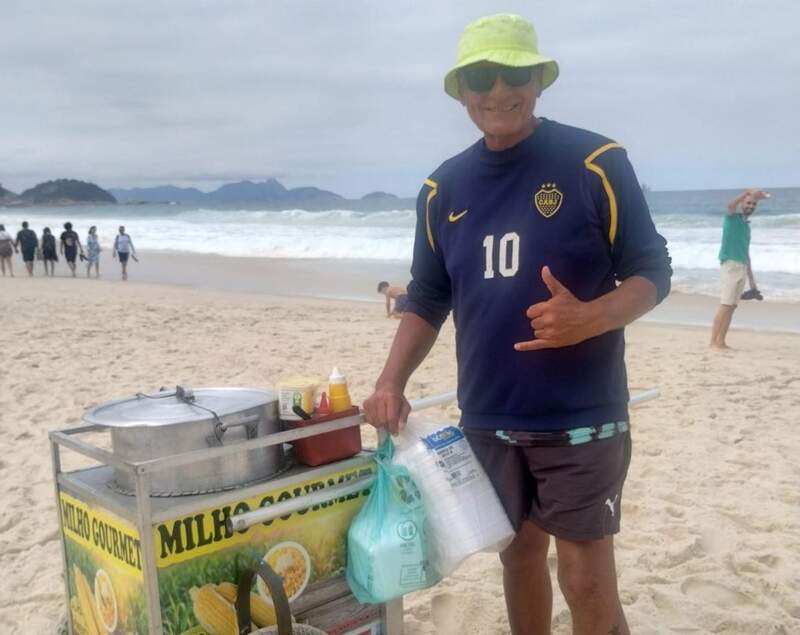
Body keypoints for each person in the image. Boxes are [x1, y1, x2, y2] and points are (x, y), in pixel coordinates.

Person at [362, 14, 672, 635]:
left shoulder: (595, 161)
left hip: (582, 416)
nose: (498, 89)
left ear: (538, 80)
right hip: (488, 415)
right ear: (460, 90)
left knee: (584, 579)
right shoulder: (441, 188)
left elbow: (651, 270)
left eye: (515, 74)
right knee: (518, 552)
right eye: (481, 76)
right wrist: (390, 380)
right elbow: (428, 295)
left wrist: (590, 318)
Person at [710, 188, 769, 350]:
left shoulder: (746, 225)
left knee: (732, 306)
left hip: (742, 266)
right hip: (730, 265)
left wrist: (752, 281)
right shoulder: (731, 218)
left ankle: (721, 341)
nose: (750, 206)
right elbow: (730, 205)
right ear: (742, 203)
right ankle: (713, 341)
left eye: (753, 204)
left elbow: (746, 253)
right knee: (725, 304)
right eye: (748, 203)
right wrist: (749, 192)